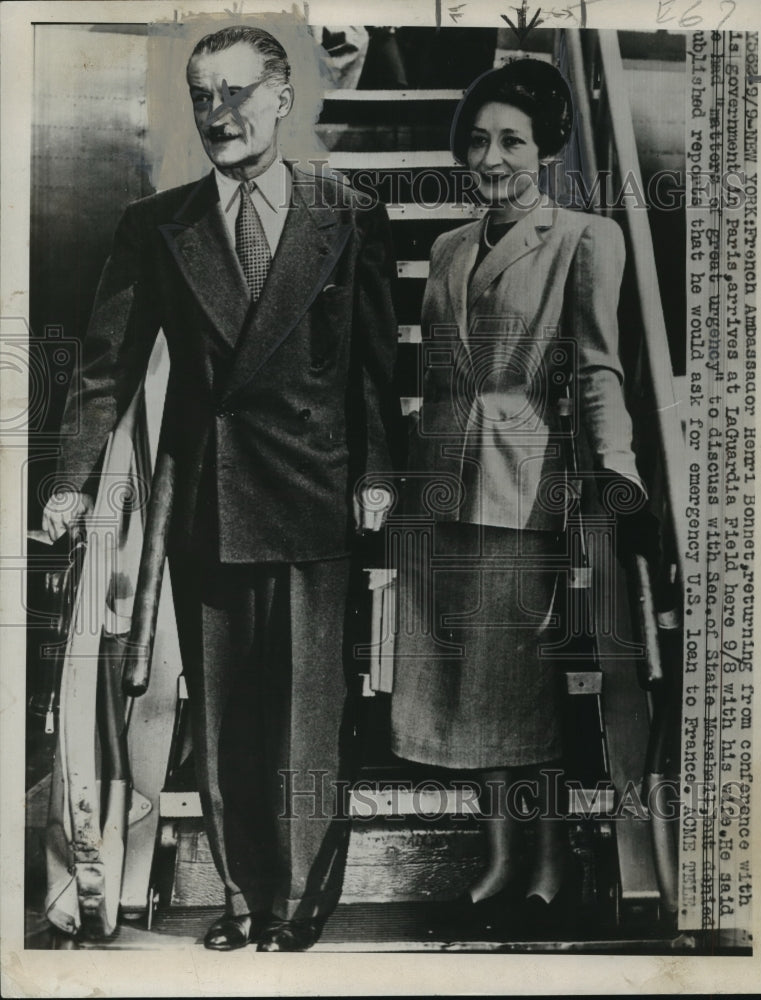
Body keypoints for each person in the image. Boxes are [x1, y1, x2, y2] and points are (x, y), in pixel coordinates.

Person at [42, 24, 399, 952]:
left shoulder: (348, 213)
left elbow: (370, 367)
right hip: (208, 500)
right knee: (229, 711)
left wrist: (378, 475)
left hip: (313, 493)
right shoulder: (157, 226)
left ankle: (298, 901)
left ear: (284, 99)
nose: (218, 115)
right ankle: (244, 901)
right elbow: (103, 371)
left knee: (308, 720)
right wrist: (71, 483)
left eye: (237, 93)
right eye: (203, 96)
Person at [390, 58, 653, 925]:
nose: (490, 156)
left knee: (515, 689)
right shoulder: (447, 247)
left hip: (523, 488)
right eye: (477, 140)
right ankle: (500, 858)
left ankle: (547, 862)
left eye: (510, 140)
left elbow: (595, 368)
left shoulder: (585, 236)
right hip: (439, 492)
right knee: (464, 692)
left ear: (545, 151)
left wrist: (613, 474)